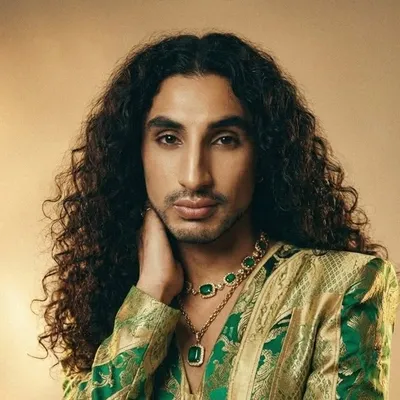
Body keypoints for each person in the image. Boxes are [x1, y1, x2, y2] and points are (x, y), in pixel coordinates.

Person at [35, 31, 399, 399]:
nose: (194, 177)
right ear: (134, 154)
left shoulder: (342, 288)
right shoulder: (100, 299)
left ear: (264, 153)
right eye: (169, 139)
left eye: (224, 139)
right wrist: (150, 297)